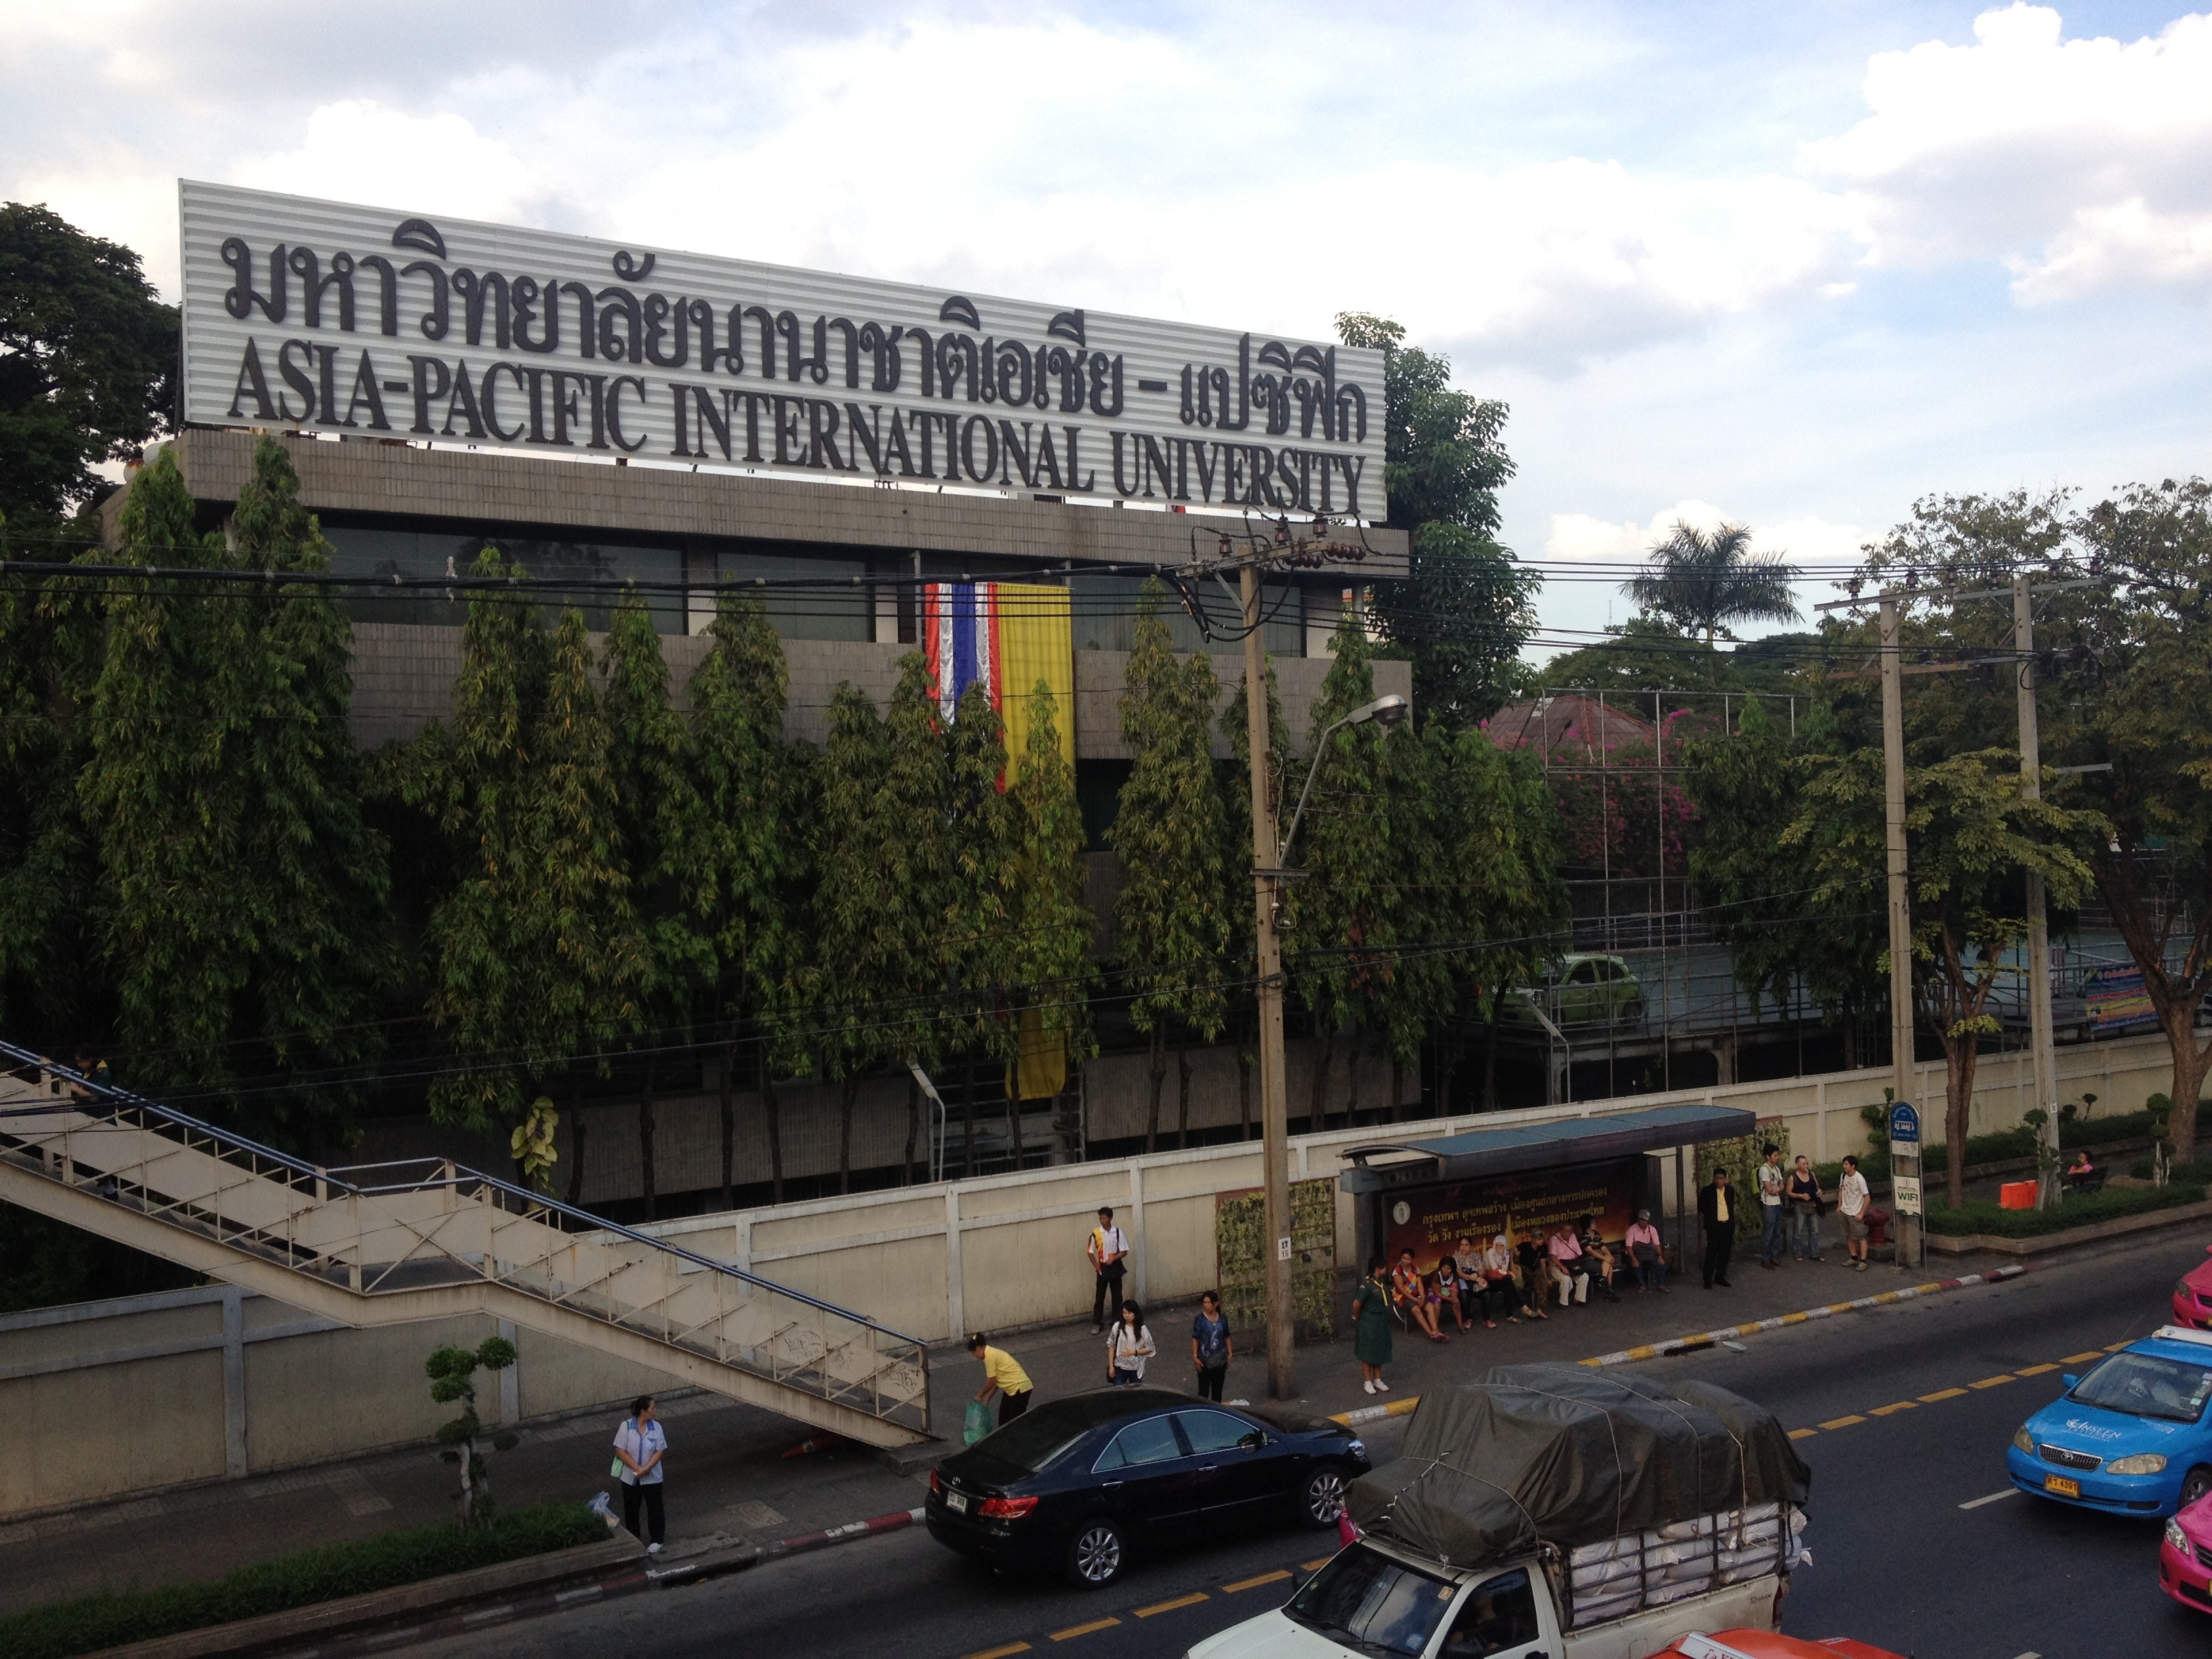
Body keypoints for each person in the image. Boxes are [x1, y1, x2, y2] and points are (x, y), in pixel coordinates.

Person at [611, 1394, 668, 1555]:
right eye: (652, 1408)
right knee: (631, 1509)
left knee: (655, 1508)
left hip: (652, 1477)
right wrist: (637, 1468)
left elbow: (660, 1450)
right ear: (643, 1411)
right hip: (631, 1477)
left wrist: (647, 1468)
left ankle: (657, 1539)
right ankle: (634, 1538)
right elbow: (620, 1450)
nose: (655, 1411)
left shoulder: (656, 1428)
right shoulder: (626, 1427)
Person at [968, 1333, 1034, 1423]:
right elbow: (996, 1382)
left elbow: (991, 1380)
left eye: (974, 1353)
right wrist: (988, 1399)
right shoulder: (992, 1353)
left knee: (1014, 1422)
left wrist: (980, 1395)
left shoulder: (989, 1357)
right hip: (1013, 1388)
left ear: (978, 1349)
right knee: (1004, 1418)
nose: (975, 1356)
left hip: (1019, 1388)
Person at [1351, 1257, 1394, 1393]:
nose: (1385, 1270)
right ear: (1378, 1268)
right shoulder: (1367, 1285)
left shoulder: (1380, 1283)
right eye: (1384, 1267)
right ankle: (1367, 1381)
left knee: (1379, 1349)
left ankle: (1378, 1379)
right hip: (1369, 1321)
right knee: (1368, 1351)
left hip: (1380, 1321)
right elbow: (1356, 1304)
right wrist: (1357, 1317)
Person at [1088, 1207, 1130, 1333]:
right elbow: (1090, 1251)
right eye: (1100, 1218)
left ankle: (1117, 1322)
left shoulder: (1117, 1232)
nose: (1102, 1220)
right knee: (1099, 1297)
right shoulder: (1096, 1233)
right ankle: (1097, 1323)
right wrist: (1096, 1266)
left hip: (1115, 1267)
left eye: (1104, 1218)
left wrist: (1114, 1259)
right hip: (1102, 1268)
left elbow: (1124, 1251)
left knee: (1117, 1296)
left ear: (1110, 1218)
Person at [1391, 1248, 1448, 1341]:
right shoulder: (1397, 1271)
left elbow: (1420, 1285)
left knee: (1430, 1306)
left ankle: (1435, 1330)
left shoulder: (1416, 1269)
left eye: (1408, 1259)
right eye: (1404, 1258)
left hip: (1417, 1295)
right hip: (1403, 1297)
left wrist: (1422, 1297)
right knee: (1416, 1309)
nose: (1405, 1261)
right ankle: (1431, 1334)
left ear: (1412, 1260)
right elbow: (1402, 1290)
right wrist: (1416, 1300)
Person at [1697, 1168, 1736, 1289]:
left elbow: (1730, 1205)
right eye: (1717, 1178)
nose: (1719, 1181)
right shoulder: (1708, 1191)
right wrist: (1710, 1216)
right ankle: (1707, 1279)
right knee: (1711, 1253)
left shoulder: (1730, 1190)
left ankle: (1720, 1277)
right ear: (1714, 1179)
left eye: (1721, 1179)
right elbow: (1701, 1205)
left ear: (1725, 1179)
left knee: (1724, 1253)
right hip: (1714, 1227)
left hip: (1727, 1226)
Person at [1190, 1291, 1233, 1401]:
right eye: (1204, 1303)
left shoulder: (1222, 1319)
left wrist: (1230, 1353)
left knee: (1217, 1392)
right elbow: (1196, 1338)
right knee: (1203, 1392)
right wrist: (1195, 1357)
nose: (1206, 1305)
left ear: (1216, 1304)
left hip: (1220, 1361)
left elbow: (1226, 1337)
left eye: (1209, 1303)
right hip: (1204, 1362)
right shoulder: (1200, 1320)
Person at [1107, 1300, 1155, 1385]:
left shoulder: (1142, 1329)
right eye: (1124, 1313)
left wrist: (1134, 1352)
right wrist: (1111, 1366)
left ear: (1135, 1313)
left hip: (1135, 1369)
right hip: (1120, 1367)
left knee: (1135, 1394)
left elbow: (1150, 1348)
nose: (1127, 1316)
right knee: (1118, 1392)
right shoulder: (1117, 1326)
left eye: (1129, 1313)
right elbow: (1112, 1346)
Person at [1786, 1155, 1824, 1261]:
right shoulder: (1793, 1177)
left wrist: (1819, 1192)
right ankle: (1798, 1253)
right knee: (1798, 1231)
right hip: (1800, 1205)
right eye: (1803, 1164)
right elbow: (1789, 1192)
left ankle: (1815, 1253)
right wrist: (1800, 1196)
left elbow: (1817, 1187)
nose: (1806, 1165)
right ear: (1798, 1165)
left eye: (1807, 1163)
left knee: (1814, 1231)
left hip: (1812, 1204)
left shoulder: (1811, 1174)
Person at [1577, 1213, 1622, 1303]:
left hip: (1598, 1259)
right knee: (1608, 1265)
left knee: (1608, 1262)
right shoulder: (1582, 1237)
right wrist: (1605, 1258)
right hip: (1587, 1261)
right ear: (1588, 1224)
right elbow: (1591, 1252)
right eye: (1593, 1222)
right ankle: (1609, 1291)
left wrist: (1610, 1256)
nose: (1595, 1224)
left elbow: (1603, 1248)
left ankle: (1604, 1280)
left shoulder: (1597, 1234)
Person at [1544, 1221, 1589, 1307]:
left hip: (1571, 1264)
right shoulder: (1554, 1239)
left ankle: (1579, 1299)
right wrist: (1562, 1267)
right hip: (1557, 1264)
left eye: (1569, 1231)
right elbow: (1552, 1256)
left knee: (1584, 1276)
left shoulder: (1573, 1237)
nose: (1566, 1233)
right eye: (1564, 1231)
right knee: (1566, 1279)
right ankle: (1563, 1302)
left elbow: (1579, 1253)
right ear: (1561, 1230)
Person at [1837, 1155, 1871, 1271]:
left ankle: (1863, 1260)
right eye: (1844, 1164)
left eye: (1846, 1164)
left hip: (1855, 1211)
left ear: (1853, 1166)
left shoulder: (1859, 1179)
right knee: (1849, 1235)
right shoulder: (1843, 1176)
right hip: (1845, 1210)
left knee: (1861, 1236)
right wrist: (1839, 1206)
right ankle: (1853, 1257)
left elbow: (1867, 1197)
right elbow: (1841, 1190)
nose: (1844, 1166)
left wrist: (1861, 1213)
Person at [1756, 1144, 1786, 1271]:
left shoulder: (1776, 1169)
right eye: (1774, 1155)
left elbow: (1782, 1186)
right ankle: (1765, 1259)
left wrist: (1778, 1189)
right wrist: (1777, 1189)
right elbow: (1769, 1189)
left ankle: (1774, 1257)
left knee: (1776, 1233)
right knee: (1768, 1233)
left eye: (1777, 1155)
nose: (1777, 1157)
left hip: (1777, 1204)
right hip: (1768, 1205)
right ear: (1768, 1156)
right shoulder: (1764, 1169)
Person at [1479, 1234, 1521, 1325]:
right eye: (1497, 1245)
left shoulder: (1506, 1254)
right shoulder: (1491, 1252)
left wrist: (1503, 1256)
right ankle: (1520, 1305)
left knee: (1507, 1284)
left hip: (1500, 1279)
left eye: (1501, 1245)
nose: (1499, 1247)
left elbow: (1503, 1270)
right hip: (1489, 1280)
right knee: (1508, 1282)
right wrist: (1509, 1273)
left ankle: (1510, 1315)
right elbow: (1495, 1270)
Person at [1624, 1208, 1667, 1292]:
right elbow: (1629, 1247)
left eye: (1645, 1220)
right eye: (1641, 1219)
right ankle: (1642, 1285)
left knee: (1661, 1265)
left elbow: (1657, 1245)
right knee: (1636, 1265)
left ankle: (1662, 1284)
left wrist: (1660, 1256)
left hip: (1650, 1254)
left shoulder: (1653, 1230)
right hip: (1637, 1255)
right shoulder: (1631, 1230)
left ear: (1648, 1221)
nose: (1643, 1222)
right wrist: (1634, 1259)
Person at [1512, 1231, 1552, 1321]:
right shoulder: (1525, 1246)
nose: (1541, 1241)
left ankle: (1540, 1309)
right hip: (1524, 1270)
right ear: (1533, 1239)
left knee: (1542, 1281)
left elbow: (1542, 1263)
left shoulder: (1543, 1248)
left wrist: (1546, 1277)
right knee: (1538, 1278)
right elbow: (1511, 1251)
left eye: (1542, 1239)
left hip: (1535, 1272)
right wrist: (1512, 1264)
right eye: (1539, 1239)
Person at [1452, 1236, 1488, 1327]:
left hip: (1476, 1282)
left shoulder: (1475, 1256)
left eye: (1466, 1245)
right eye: (1461, 1245)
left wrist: (1477, 1274)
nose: (1463, 1248)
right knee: (1463, 1295)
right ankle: (1469, 1319)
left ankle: (1486, 1319)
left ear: (1471, 1246)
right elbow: (1459, 1273)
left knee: (1486, 1294)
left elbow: (1482, 1270)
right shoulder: (1456, 1257)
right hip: (1463, 1283)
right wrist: (1473, 1277)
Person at [1433, 1252, 1471, 1332]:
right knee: (1438, 1302)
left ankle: (1460, 1325)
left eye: (1448, 1269)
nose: (1446, 1270)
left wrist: (1454, 1299)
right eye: (1444, 1268)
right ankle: (1435, 1327)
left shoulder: (1454, 1275)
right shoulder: (1436, 1274)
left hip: (1446, 1290)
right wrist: (1450, 1299)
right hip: (1432, 1291)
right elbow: (1437, 1293)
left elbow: (1454, 1290)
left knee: (1456, 1302)